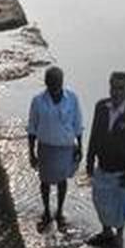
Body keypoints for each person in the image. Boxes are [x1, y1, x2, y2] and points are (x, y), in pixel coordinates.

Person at [85, 70, 125, 248]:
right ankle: (105, 232)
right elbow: (94, 134)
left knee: (119, 207)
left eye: (120, 88)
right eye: (113, 87)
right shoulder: (101, 107)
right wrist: (89, 160)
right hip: (102, 166)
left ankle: (118, 237)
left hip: (121, 171)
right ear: (109, 87)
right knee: (99, 200)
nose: (116, 92)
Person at [27, 66, 83, 231]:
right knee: (44, 181)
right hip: (46, 147)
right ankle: (46, 211)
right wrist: (31, 151)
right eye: (51, 82)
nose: (54, 85)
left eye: (57, 82)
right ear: (46, 83)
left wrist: (80, 146)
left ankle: (59, 211)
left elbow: (77, 124)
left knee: (62, 181)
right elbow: (32, 128)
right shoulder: (38, 101)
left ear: (62, 82)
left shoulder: (71, 99)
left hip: (65, 148)